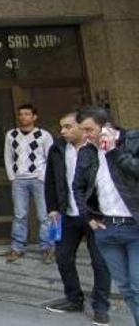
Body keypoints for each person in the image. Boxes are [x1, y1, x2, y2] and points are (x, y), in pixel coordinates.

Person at [43, 111, 111, 322]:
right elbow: (51, 180)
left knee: (100, 262)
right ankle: (73, 298)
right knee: (63, 257)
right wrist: (53, 207)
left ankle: (101, 306)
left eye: (68, 126)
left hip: (95, 215)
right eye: (61, 127)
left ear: (82, 127)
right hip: (68, 213)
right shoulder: (57, 149)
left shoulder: (99, 149)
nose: (62, 131)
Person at [75, 106, 139, 325]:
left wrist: (113, 151)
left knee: (138, 284)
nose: (85, 136)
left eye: (89, 130)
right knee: (125, 287)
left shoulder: (132, 141)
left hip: (134, 225)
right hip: (106, 228)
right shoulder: (87, 151)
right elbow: (78, 187)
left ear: (106, 126)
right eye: (82, 130)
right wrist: (88, 217)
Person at [5, 104, 55, 263]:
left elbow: (50, 157)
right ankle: (17, 247)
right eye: (21, 114)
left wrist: (43, 176)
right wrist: (12, 177)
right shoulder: (11, 135)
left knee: (44, 215)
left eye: (27, 114)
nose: (23, 117)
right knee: (20, 215)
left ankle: (47, 248)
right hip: (19, 180)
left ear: (34, 117)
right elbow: (8, 157)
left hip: (39, 179)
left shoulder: (43, 135)